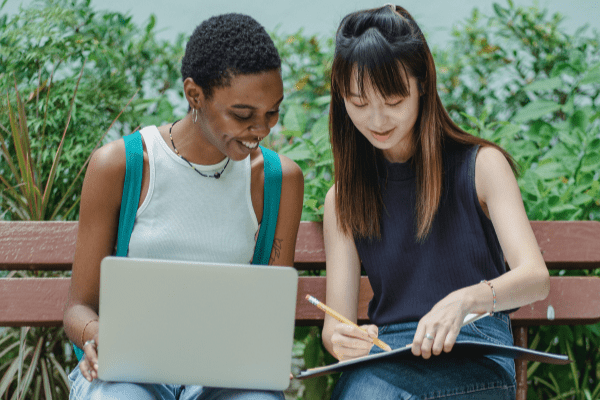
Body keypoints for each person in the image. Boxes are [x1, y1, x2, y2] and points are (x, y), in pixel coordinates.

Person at [63, 13, 304, 400]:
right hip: (130, 373)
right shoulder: (122, 166)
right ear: (195, 94)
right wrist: (98, 336)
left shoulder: (277, 181)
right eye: (242, 115)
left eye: (272, 112)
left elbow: (267, 318)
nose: (261, 130)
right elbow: (78, 308)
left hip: (224, 378)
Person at [322, 4, 550, 399]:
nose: (376, 120)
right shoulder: (343, 198)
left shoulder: (481, 166)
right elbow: (335, 325)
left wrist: (467, 300)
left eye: (392, 100)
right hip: (388, 357)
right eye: (359, 103)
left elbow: (535, 277)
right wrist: (342, 339)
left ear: (422, 84)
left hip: (475, 351)